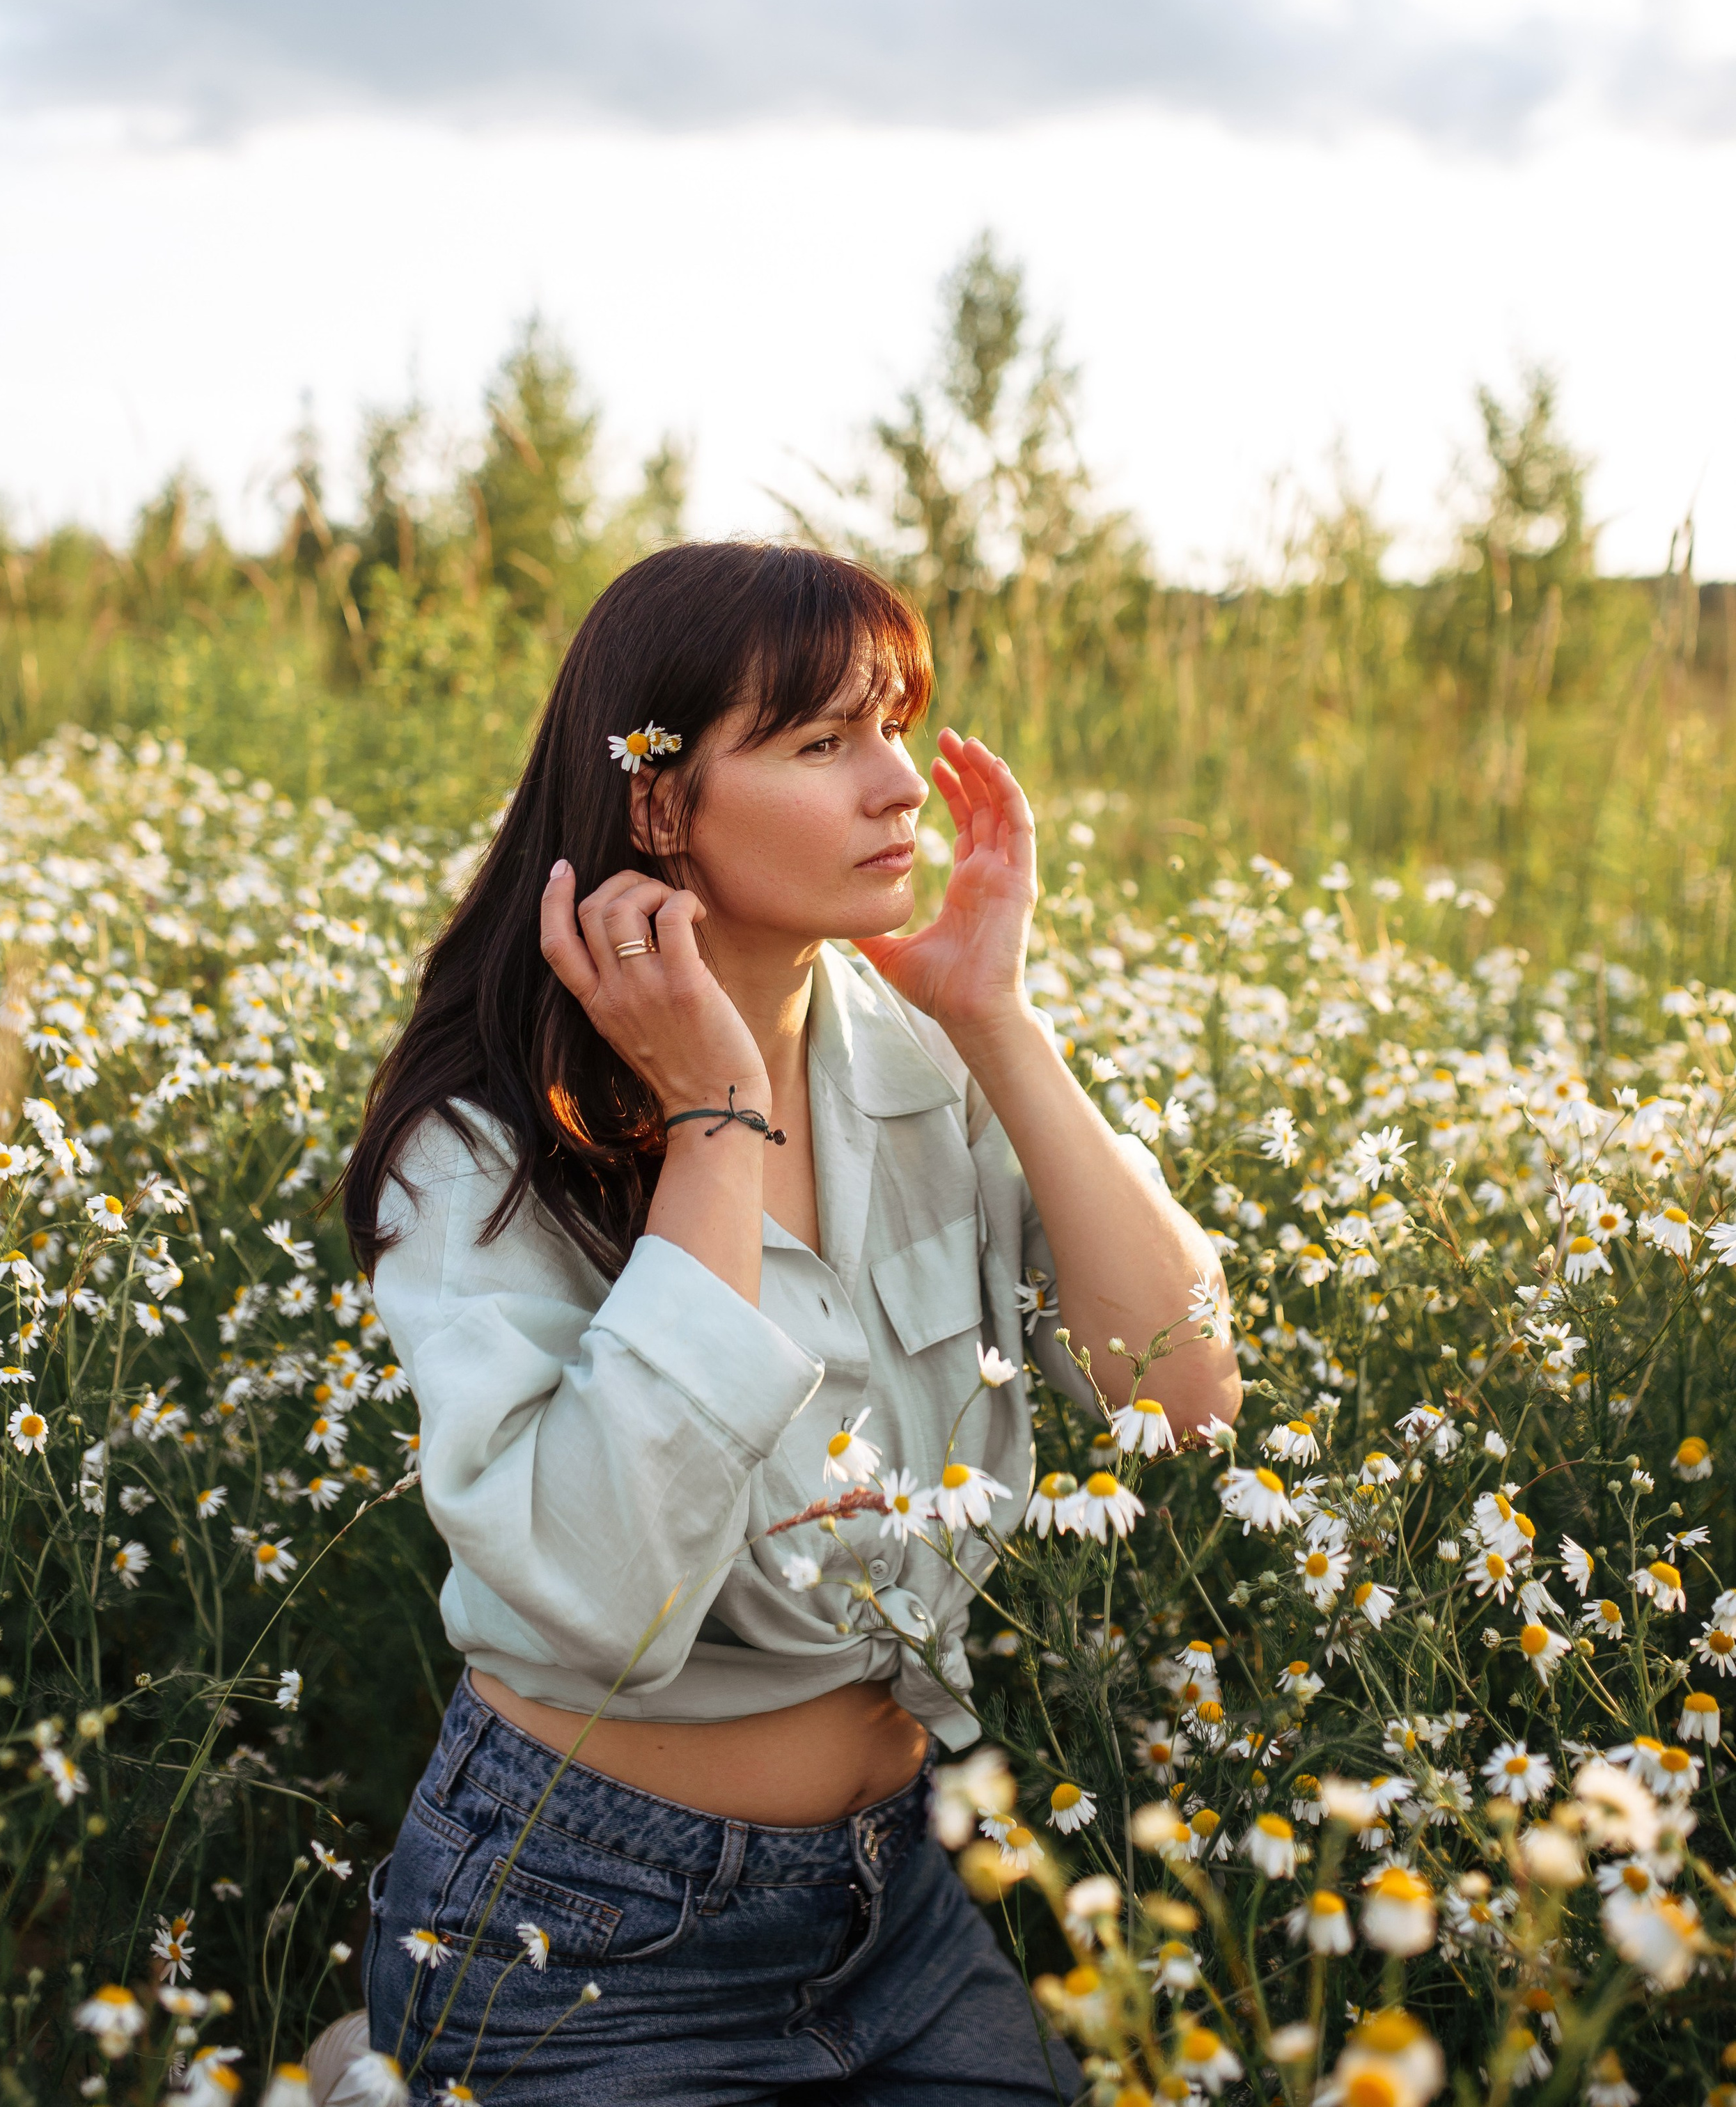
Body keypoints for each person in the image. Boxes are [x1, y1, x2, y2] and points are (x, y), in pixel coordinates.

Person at [335, 538, 1240, 2105]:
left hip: (891, 1908)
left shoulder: (916, 1050)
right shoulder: (478, 1143)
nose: (897, 786)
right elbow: (606, 1607)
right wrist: (712, 1124)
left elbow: (1184, 1401)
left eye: (895, 723)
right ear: (654, 802)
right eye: (821, 742)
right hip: (576, 1924)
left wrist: (995, 1017)